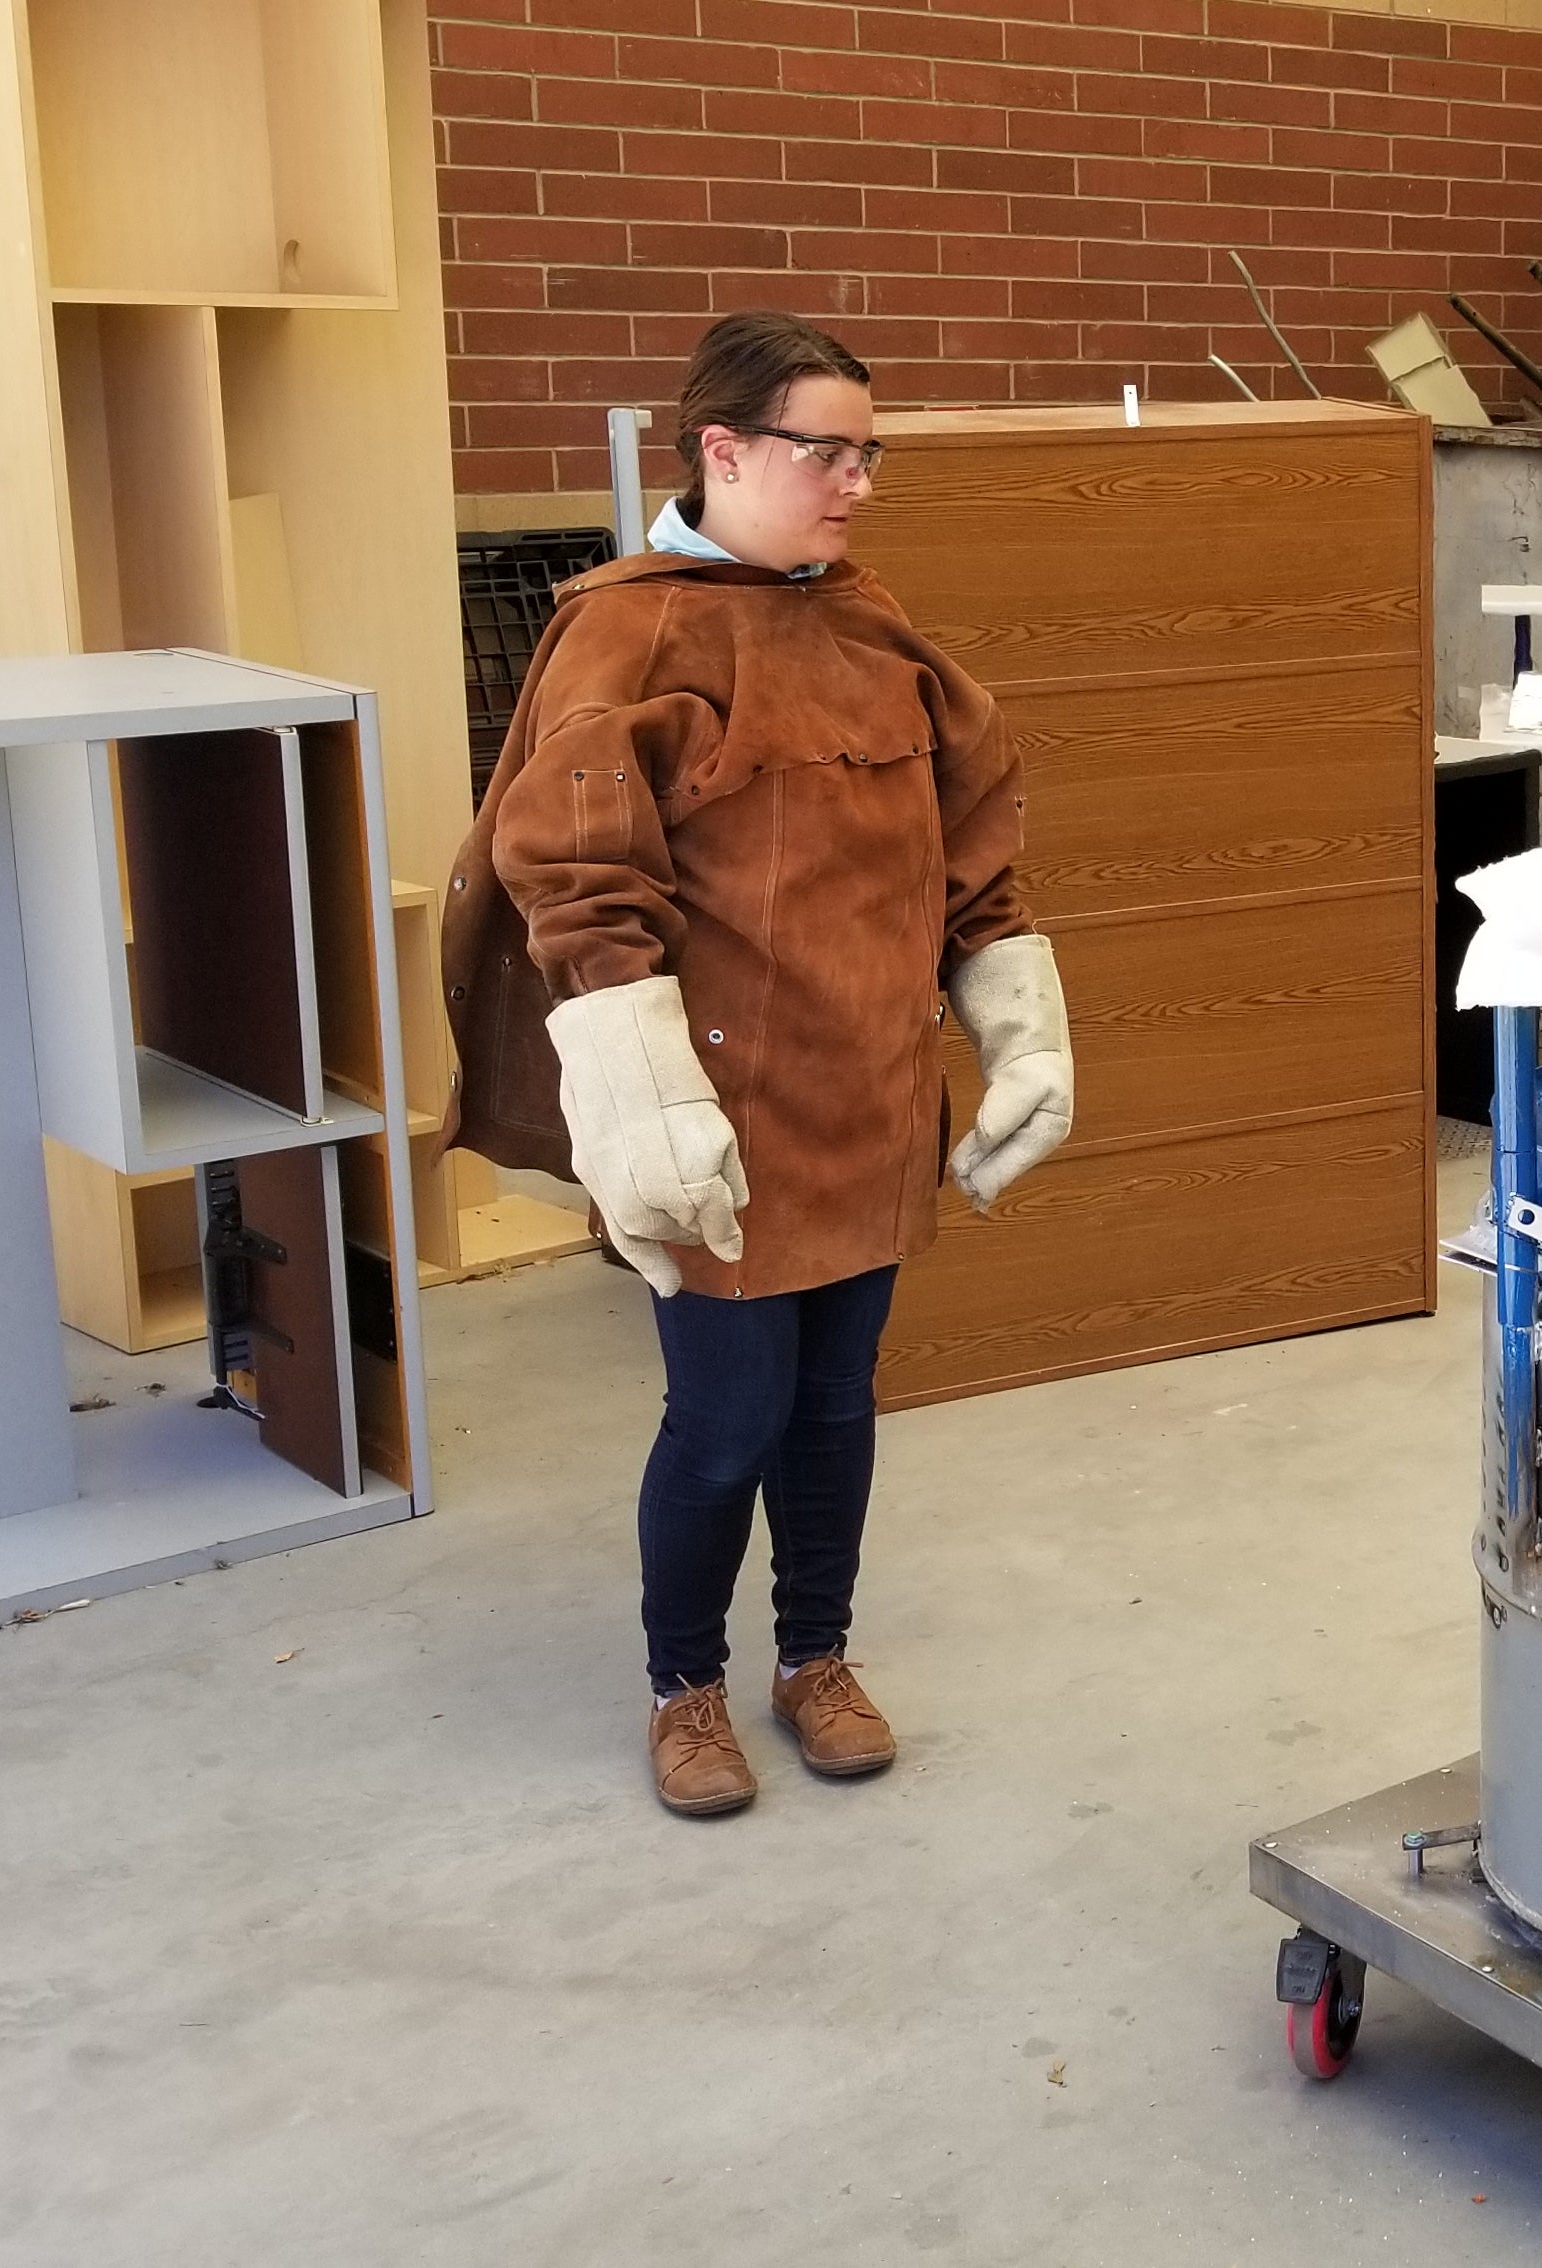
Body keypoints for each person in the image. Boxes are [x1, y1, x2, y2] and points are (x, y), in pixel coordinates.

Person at [442, 312, 1077, 1818]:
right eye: (825, 452)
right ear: (722, 452)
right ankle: (683, 1690)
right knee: (725, 1421)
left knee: (836, 1407)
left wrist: (1017, 1026)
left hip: (867, 1096)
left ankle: (814, 1660)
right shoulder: (632, 629)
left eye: (869, 452)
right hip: (714, 1116)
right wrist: (636, 1097)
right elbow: (577, 880)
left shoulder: (874, 628)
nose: (856, 482)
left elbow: (971, 849)